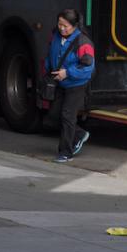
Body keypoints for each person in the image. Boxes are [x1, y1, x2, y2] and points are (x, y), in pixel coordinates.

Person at [45, 9, 95, 163]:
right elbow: (50, 54)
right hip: (60, 82)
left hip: (76, 84)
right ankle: (79, 134)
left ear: (74, 26)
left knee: (67, 116)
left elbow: (88, 68)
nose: (62, 28)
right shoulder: (55, 35)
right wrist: (48, 69)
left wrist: (67, 73)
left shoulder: (83, 42)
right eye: (60, 24)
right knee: (53, 116)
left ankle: (66, 153)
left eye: (65, 26)